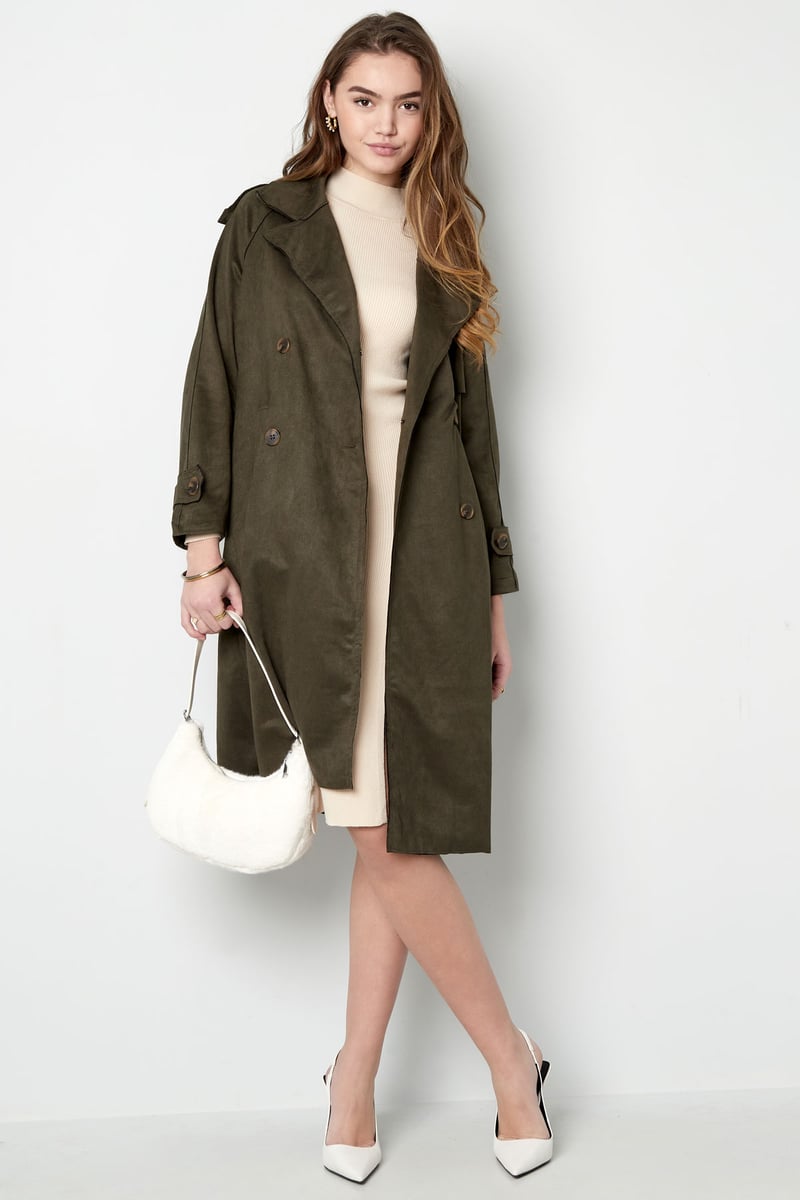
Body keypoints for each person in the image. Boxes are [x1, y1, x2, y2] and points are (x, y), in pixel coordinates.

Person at [171, 11, 553, 1183]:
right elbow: (213, 383)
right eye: (365, 98)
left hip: (424, 565)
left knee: (384, 825)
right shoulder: (266, 224)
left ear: (430, 115)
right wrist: (201, 553)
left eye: (409, 102)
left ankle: (352, 1081)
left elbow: (474, 436)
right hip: (303, 560)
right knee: (376, 825)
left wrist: (490, 597)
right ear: (328, 103)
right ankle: (510, 1060)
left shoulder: (443, 239)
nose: (387, 123)